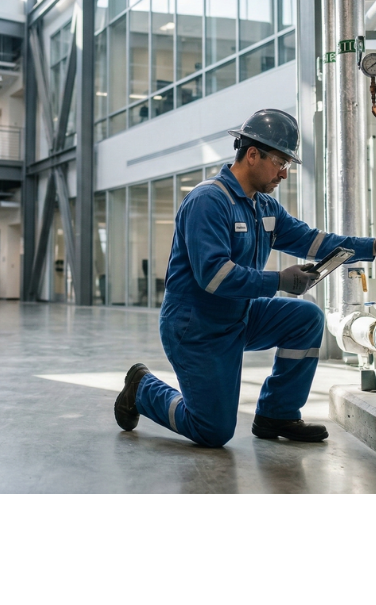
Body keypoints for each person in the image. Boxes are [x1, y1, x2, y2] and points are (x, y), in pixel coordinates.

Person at [114, 109, 376, 447]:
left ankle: (276, 413)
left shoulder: (264, 208)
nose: (284, 174)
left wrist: (372, 248)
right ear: (252, 154)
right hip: (196, 328)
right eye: (280, 162)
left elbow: (316, 243)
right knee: (213, 431)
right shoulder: (208, 201)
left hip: (238, 316)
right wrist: (279, 280)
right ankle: (143, 388)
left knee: (306, 316)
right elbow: (214, 277)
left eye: (288, 165)